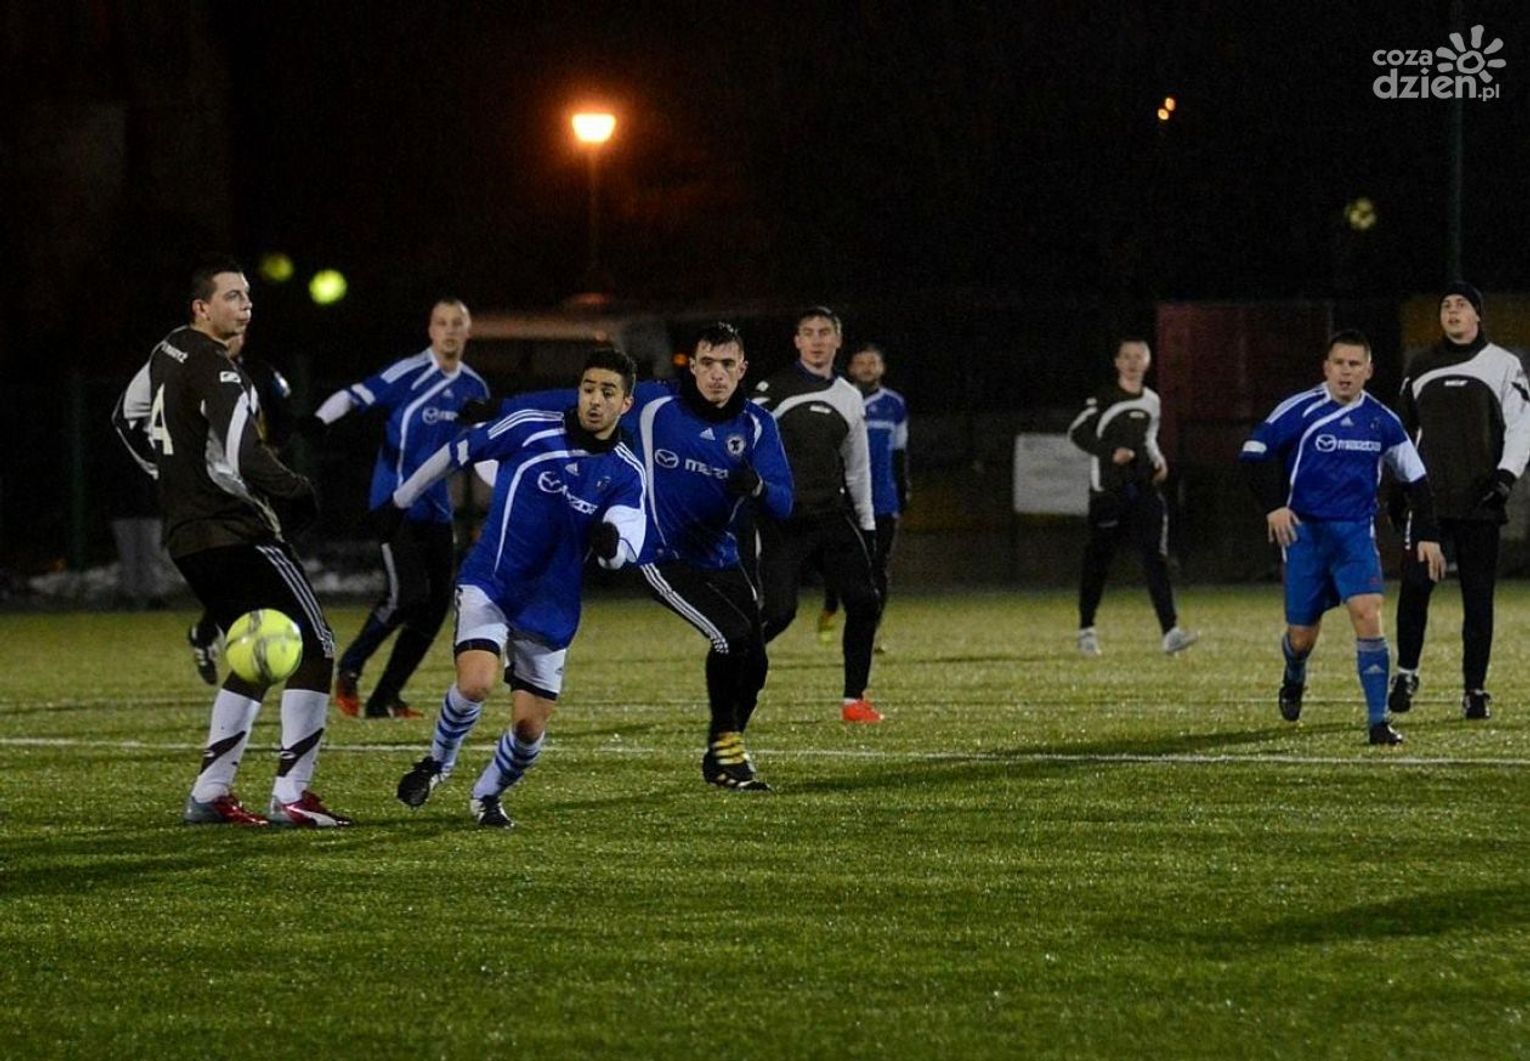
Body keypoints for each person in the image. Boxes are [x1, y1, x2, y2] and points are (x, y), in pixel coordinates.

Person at [464, 324, 795, 789]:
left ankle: (725, 749)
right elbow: (571, 399)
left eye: (727, 365)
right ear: (692, 367)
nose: (716, 374)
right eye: (707, 363)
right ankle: (725, 749)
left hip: (721, 556)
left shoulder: (758, 425)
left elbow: (785, 502)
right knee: (731, 637)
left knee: (754, 660)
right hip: (661, 553)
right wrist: (500, 407)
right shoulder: (657, 403)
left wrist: (758, 487)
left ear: (742, 370)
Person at [111, 256, 350, 826]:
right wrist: (298, 490)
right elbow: (245, 455)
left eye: (248, 297)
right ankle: (293, 796)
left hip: (187, 536)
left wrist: (172, 478)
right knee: (316, 646)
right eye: (233, 297)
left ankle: (210, 793)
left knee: (256, 652)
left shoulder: (168, 349)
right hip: (238, 528)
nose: (246, 306)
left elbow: (124, 418)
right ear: (202, 307)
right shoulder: (221, 370)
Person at [389, 348, 647, 828]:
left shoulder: (627, 473)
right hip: (492, 580)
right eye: (588, 388)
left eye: (608, 392)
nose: (594, 400)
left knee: (529, 729)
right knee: (476, 682)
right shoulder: (530, 427)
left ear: (626, 404)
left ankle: (487, 794)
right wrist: (400, 501)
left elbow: (625, 542)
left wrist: (611, 544)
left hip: (550, 605)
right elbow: (458, 452)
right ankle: (436, 764)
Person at [1239, 329, 1444, 745]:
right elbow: (1253, 455)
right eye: (1339, 364)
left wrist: (1427, 533)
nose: (1346, 372)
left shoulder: (1382, 421)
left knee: (1368, 613)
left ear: (1369, 370)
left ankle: (1378, 721)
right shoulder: (1300, 409)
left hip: (1354, 537)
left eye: (1354, 364)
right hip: (1305, 537)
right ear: (1326, 368)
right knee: (1301, 637)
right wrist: (1274, 506)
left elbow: (1417, 479)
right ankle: (1294, 672)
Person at [301, 299, 490, 719]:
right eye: (441, 322)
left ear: (468, 331)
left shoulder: (474, 387)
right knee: (407, 594)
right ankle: (350, 666)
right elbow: (354, 395)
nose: (449, 330)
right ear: (430, 330)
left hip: (437, 509)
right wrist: (319, 421)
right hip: (393, 505)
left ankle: (385, 697)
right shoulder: (409, 373)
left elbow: (480, 451)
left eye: (457, 323)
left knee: (436, 606)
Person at [1388, 282, 1530, 721]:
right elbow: (1400, 432)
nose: (1452, 311)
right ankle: (1406, 674)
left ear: (1477, 315)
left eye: (1462, 305)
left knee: (1478, 596)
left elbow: (1521, 425)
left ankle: (1474, 689)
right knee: (1415, 587)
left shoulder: (1503, 364)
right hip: (1429, 504)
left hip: (1479, 502)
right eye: (1446, 305)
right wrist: (1399, 487)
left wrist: (1505, 477)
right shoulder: (1420, 365)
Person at [752, 307, 883, 723]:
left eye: (825, 332)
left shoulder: (848, 395)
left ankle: (854, 700)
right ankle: (733, 658)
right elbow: (745, 450)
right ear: (797, 341)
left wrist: (867, 523)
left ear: (837, 341)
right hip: (784, 519)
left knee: (864, 601)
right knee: (779, 613)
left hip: (831, 513)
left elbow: (858, 467)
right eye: (808, 332)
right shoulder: (771, 390)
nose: (816, 340)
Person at [1067, 338, 1197, 657]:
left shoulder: (1152, 401)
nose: (1132, 362)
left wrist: (1159, 460)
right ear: (1117, 362)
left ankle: (1170, 632)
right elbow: (1077, 433)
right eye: (1126, 356)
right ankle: (1086, 629)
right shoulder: (1103, 398)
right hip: (1107, 491)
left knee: (1156, 557)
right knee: (1099, 560)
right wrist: (1110, 452)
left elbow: (1149, 438)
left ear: (1148, 362)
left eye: (1139, 357)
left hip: (1142, 487)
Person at [184, 329, 295, 683]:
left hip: (250, 482)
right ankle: (244, 643)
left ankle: (208, 633)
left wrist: (270, 454)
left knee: (247, 569)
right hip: (210, 483)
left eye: (236, 333)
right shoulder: (192, 374)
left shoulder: (261, 374)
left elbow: (284, 417)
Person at [817, 342, 908, 653]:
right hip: (844, 497)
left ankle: (872, 630)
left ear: (882, 368)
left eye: (873, 362)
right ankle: (831, 604)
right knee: (838, 562)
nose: (867, 368)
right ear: (851, 368)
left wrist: (903, 489)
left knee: (878, 566)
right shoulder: (838, 399)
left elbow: (900, 452)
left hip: (882, 499)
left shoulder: (894, 405)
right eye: (861, 363)